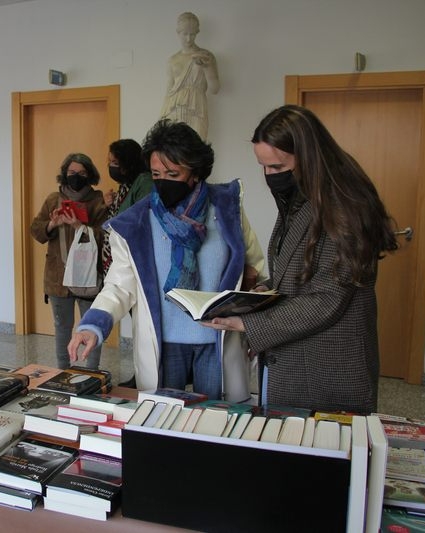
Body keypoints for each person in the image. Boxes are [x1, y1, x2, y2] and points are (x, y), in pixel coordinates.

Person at [201, 105, 398, 413]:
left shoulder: (344, 207)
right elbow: (298, 270)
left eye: (277, 168)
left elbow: (327, 297)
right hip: (298, 362)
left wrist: (249, 323)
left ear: (309, 158)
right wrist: (266, 289)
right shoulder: (302, 199)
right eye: (263, 167)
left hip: (327, 369)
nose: (269, 176)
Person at [68, 120, 265, 401]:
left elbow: (254, 267)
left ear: (195, 172)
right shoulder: (135, 223)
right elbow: (119, 286)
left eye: (173, 173)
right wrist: (93, 325)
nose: (163, 182)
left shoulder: (227, 208)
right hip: (163, 343)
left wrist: (256, 320)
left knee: (215, 423)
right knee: (162, 419)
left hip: (216, 339)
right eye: (156, 173)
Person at [30, 153, 109, 370]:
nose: (76, 177)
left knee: (92, 328)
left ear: (90, 175)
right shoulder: (53, 199)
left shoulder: (98, 200)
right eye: (72, 173)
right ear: (64, 174)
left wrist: (78, 227)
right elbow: (36, 231)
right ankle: (62, 372)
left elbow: (106, 236)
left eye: (82, 173)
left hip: (89, 277)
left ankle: (93, 374)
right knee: (62, 328)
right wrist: (52, 225)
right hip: (57, 278)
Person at [160, 12, 220, 140]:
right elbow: (169, 90)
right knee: (173, 149)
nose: (188, 38)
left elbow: (215, 89)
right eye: (185, 34)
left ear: (197, 33)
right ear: (178, 33)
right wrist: (162, 118)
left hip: (196, 106)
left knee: (197, 148)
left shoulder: (206, 56)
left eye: (192, 34)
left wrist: (207, 67)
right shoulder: (173, 60)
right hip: (175, 107)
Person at [101, 138, 154, 272]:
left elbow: (141, 218)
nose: (111, 167)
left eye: (115, 162)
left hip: (132, 257)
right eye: (109, 162)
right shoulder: (125, 186)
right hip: (119, 254)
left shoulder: (144, 182)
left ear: (128, 163)